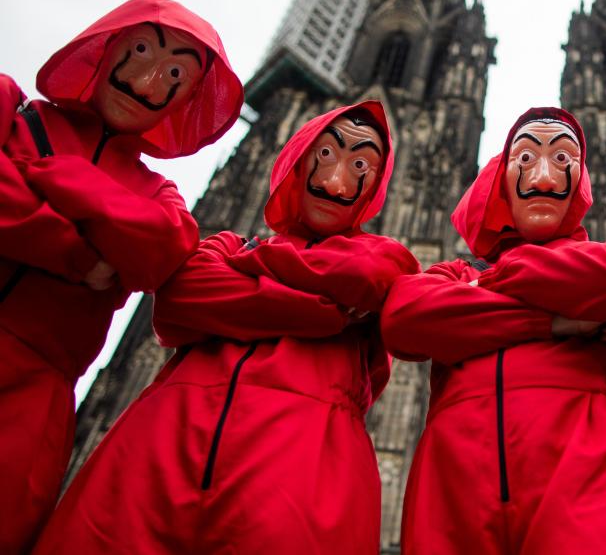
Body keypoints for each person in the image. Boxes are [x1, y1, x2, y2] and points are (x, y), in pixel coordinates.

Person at [32, 100, 418, 553]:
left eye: (359, 165)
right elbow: (179, 298)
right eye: (325, 155)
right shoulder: (230, 244)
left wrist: (248, 280)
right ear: (297, 159)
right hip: (159, 456)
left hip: (294, 475)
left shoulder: (386, 261)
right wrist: (325, 312)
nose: (336, 180)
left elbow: (368, 278)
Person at [0, 0, 243, 554]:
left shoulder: (159, 193)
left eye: (175, 74)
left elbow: (160, 253)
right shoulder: (13, 108)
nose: (149, 80)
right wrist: (82, 255)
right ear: (106, 49)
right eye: (139, 52)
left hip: (30, 402)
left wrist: (45, 179)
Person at [381, 107, 606, 554]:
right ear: (500, 180)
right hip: (459, 487)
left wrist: (489, 285)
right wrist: (552, 321)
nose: (542, 175)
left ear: (582, 181)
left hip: (593, 483)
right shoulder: (456, 271)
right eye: (526, 158)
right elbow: (404, 318)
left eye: (562, 159)